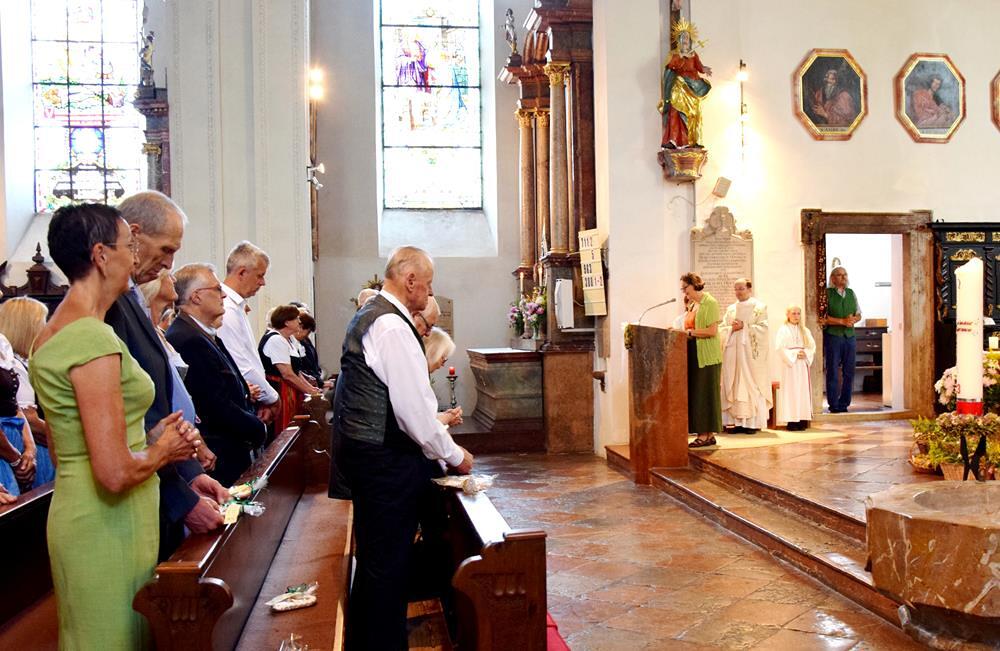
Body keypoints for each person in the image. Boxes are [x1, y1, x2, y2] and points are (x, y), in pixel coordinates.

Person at [30, 203, 199, 649]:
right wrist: (164, 449)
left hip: (87, 508)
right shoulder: (91, 337)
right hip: (107, 520)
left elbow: (72, 442)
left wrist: (150, 435)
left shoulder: (54, 330)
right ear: (101, 255)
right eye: (129, 246)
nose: (135, 257)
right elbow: (114, 472)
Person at [333, 245, 473, 650]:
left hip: (371, 458)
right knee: (388, 567)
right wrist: (455, 455)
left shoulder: (374, 315)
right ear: (410, 280)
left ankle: (369, 641)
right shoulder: (392, 326)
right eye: (428, 285)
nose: (429, 293)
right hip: (385, 463)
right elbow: (414, 412)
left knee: (380, 562)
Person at [107, 190, 228, 558]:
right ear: (134, 234)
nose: (169, 264)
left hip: (161, 482)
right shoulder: (111, 307)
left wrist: (191, 474)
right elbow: (133, 418)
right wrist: (182, 498)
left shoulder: (130, 302)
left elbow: (160, 410)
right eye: (165, 250)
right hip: (130, 497)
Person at [168, 264, 266, 486]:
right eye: (217, 288)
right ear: (196, 297)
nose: (223, 295)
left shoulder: (201, 333)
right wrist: (257, 428)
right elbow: (215, 405)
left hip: (229, 447)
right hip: (219, 454)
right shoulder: (188, 338)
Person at [218, 241, 279, 425]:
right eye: (260, 275)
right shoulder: (226, 309)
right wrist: (272, 398)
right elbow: (241, 365)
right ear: (242, 272)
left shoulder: (235, 306)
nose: (263, 282)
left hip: (253, 396)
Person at [0, 297, 56, 484]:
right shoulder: (14, 365)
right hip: (15, 446)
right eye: (42, 323)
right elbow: (30, 419)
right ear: (26, 328)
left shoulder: (17, 361)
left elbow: (17, 408)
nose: (46, 329)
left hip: (25, 446)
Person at [719, 279, 771, 433]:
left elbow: (764, 329)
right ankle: (736, 422)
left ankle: (752, 424)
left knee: (749, 385)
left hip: (750, 357)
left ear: (749, 289)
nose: (738, 292)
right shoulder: (731, 309)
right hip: (733, 354)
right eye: (736, 289)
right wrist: (731, 329)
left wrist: (745, 327)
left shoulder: (759, 308)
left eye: (741, 288)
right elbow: (722, 328)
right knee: (734, 385)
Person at [259, 304, 321, 432]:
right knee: (283, 429)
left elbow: (296, 371)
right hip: (279, 389)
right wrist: (309, 391)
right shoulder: (276, 339)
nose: (299, 322)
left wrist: (310, 388)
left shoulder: (290, 339)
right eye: (296, 319)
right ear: (287, 322)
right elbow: (287, 374)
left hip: (289, 388)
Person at [679, 273, 723, 447]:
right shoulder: (693, 305)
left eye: (685, 287)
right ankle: (707, 434)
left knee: (705, 395)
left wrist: (689, 333)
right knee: (698, 394)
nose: (684, 291)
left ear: (694, 284)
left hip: (707, 355)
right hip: (693, 352)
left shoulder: (710, 302)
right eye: (682, 289)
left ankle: (705, 434)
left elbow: (712, 331)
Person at [658, 19, 712, 148]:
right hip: (680, 88)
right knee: (676, 111)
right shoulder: (674, 54)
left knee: (693, 113)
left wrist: (704, 69)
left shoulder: (693, 54)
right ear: (679, 40)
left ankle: (693, 140)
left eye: (687, 37)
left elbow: (698, 66)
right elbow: (670, 67)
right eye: (683, 37)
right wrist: (680, 57)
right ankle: (675, 140)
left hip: (693, 88)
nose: (685, 40)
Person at [820, 266, 861, 413]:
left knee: (849, 371)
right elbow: (822, 318)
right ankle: (834, 404)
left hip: (850, 337)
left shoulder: (851, 293)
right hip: (833, 337)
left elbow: (859, 314)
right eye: (839, 275)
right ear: (833, 278)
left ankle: (844, 403)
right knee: (832, 371)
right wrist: (842, 321)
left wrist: (853, 320)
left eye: (845, 274)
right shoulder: (826, 294)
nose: (843, 277)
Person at [776, 305, 816, 430]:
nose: (796, 316)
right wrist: (794, 354)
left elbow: (812, 347)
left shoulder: (805, 330)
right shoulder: (783, 330)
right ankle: (792, 422)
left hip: (802, 365)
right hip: (790, 366)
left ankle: (802, 421)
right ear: (788, 314)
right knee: (791, 391)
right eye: (793, 313)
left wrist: (806, 353)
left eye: (798, 313)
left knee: (802, 391)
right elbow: (779, 347)